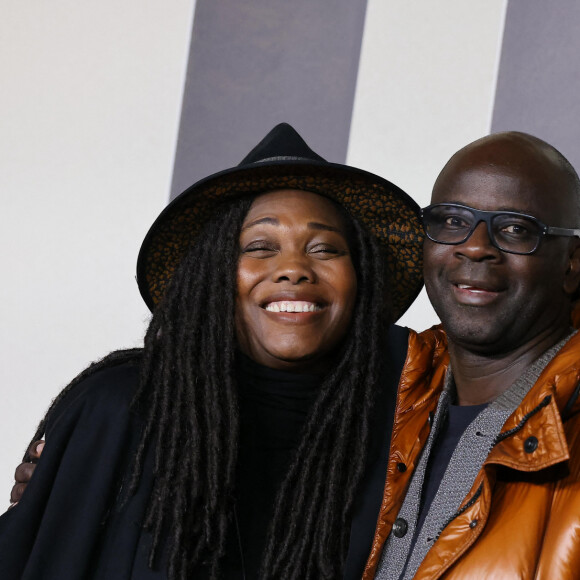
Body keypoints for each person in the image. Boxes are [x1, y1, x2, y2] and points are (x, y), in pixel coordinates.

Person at [0, 123, 424, 579]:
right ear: (215, 274)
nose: (294, 269)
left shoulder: (404, 430)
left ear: (359, 279)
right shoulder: (124, 407)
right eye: (260, 247)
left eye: (324, 249)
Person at [363, 132, 580, 579]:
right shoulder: (386, 401)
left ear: (572, 264)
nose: (475, 246)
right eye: (451, 221)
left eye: (516, 229)